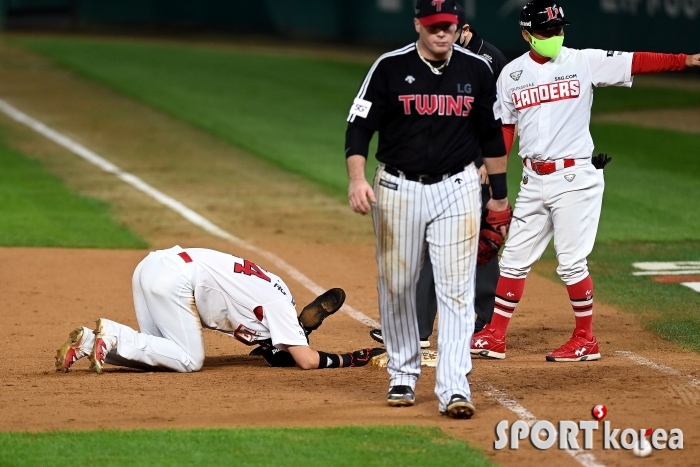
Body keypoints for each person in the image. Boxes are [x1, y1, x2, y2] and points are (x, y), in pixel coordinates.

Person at [470, 0, 700, 362]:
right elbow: (507, 125)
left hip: (575, 177)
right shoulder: (511, 74)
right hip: (533, 179)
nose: (555, 36)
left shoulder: (582, 61)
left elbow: (634, 60)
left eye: (559, 29)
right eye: (546, 32)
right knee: (512, 259)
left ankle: (585, 339)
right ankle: (495, 335)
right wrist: (492, 165)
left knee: (571, 262)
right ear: (526, 34)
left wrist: (684, 60)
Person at [345, 0, 511, 418]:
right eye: (435, 26)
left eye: (449, 27)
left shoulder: (476, 70)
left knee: (456, 290)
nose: (442, 34)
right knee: (398, 282)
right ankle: (403, 371)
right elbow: (359, 125)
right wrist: (357, 178)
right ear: (418, 23)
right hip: (398, 187)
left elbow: (492, 136)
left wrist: (499, 196)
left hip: (458, 187)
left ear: (458, 26)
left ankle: (455, 385)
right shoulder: (388, 67)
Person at [55, 246, 381, 373]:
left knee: (159, 357)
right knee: (189, 360)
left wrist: (289, 338)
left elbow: (273, 352)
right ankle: (112, 335)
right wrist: (350, 358)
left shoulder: (275, 290)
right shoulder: (280, 310)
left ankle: (88, 341)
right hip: (175, 280)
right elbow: (306, 361)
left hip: (150, 266)